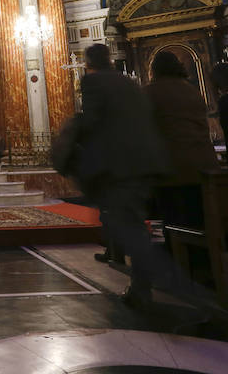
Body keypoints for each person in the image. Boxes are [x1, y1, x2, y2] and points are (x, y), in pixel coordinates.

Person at [68, 44, 170, 308]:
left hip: (119, 166)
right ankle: (142, 285)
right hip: (143, 162)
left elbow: (91, 123)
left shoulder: (93, 82)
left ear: (89, 63)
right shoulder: (127, 82)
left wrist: (72, 134)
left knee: (127, 227)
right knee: (132, 223)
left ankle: (169, 284)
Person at [143, 51, 218, 230]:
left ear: (153, 70)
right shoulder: (192, 90)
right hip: (204, 166)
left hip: (172, 167)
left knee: (175, 224)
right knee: (199, 221)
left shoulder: (149, 92)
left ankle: (179, 254)